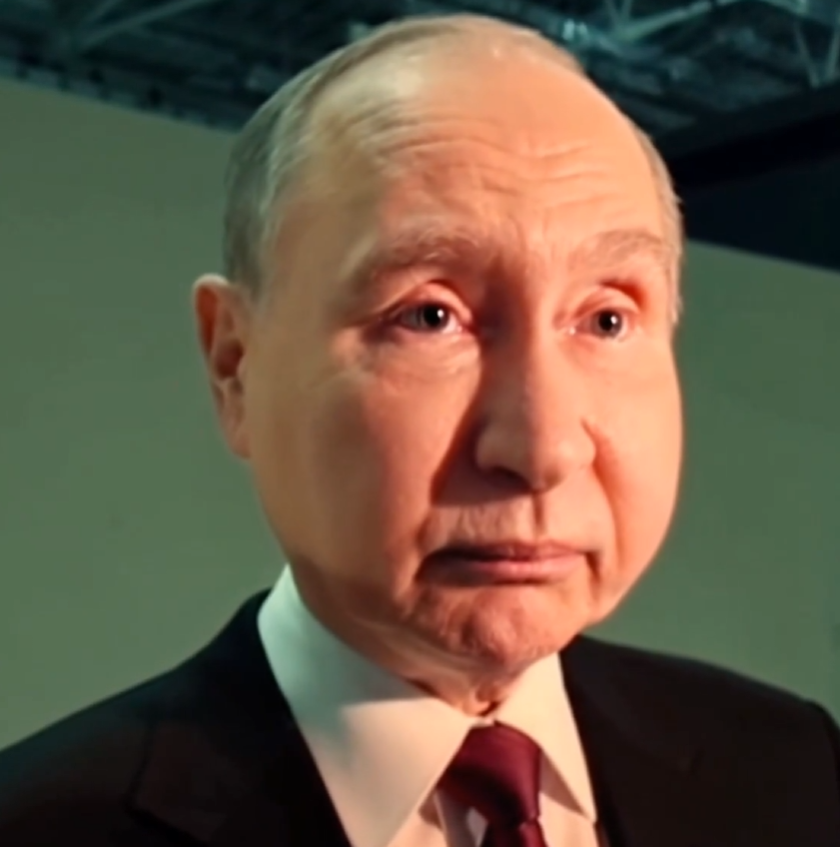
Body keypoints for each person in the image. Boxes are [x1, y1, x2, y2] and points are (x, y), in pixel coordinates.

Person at [1, 12, 838, 847]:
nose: (543, 449)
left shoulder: (796, 770)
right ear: (235, 364)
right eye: (430, 316)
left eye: (606, 319)